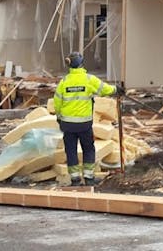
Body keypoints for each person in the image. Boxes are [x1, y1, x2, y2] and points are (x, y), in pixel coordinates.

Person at [53, 51, 124, 185]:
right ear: (81, 64)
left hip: (67, 124)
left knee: (71, 150)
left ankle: (74, 179)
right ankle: (89, 178)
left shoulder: (64, 82)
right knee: (88, 149)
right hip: (84, 124)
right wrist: (117, 90)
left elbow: (57, 102)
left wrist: (59, 117)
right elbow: (105, 89)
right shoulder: (89, 79)